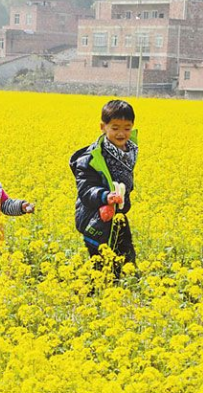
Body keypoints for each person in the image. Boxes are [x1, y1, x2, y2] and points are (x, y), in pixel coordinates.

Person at [69, 99, 138, 278]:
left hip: (117, 215)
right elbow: (86, 189)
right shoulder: (90, 158)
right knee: (100, 260)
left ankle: (125, 290)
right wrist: (105, 196)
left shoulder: (129, 151)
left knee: (126, 254)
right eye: (115, 128)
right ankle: (96, 294)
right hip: (94, 217)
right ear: (103, 126)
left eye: (127, 128)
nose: (121, 133)